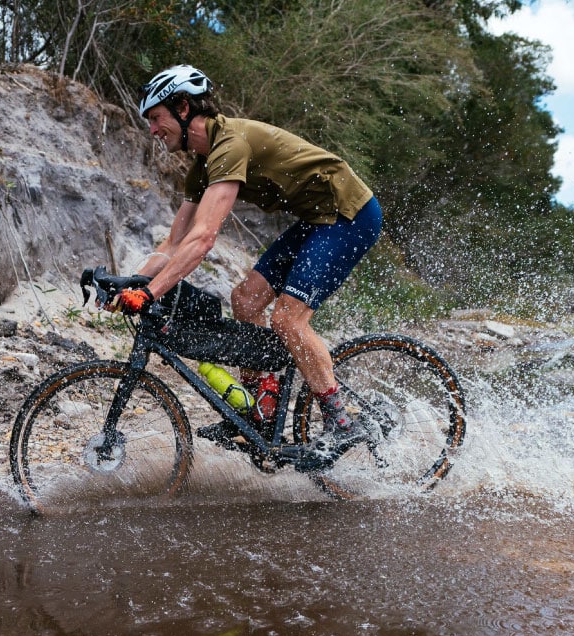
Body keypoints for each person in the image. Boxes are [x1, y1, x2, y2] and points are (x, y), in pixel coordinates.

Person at [113, 64, 383, 461]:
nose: (153, 130)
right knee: (246, 300)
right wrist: (131, 283)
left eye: (156, 118)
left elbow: (203, 238)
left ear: (183, 107)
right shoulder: (202, 166)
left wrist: (151, 293)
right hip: (317, 219)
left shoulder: (231, 144)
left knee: (288, 320)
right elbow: (174, 241)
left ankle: (343, 421)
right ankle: (262, 409)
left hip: (348, 214)